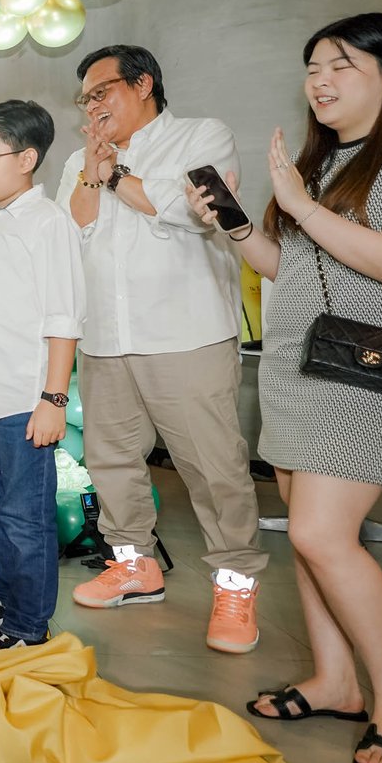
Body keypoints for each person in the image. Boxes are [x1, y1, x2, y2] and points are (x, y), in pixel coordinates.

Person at [187, 12, 382, 763]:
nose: (320, 80)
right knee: (309, 536)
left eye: (341, 64)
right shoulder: (331, 157)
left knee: (320, 533)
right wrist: (236, 224)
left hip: (364, 372)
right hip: (297, 364)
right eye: (312, 67)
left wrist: (302, 204)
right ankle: (335, 680)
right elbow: (295, 268)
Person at [56, 44, 267, 655]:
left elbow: (190, 212)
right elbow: (72, 230)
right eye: (85, 100)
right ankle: (133, 566)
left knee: (213, 467)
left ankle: (235, 584)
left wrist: (116, 175)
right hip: (106, 337)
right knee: (111, 460)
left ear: (143, 84)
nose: (92, 108)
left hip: (186, 333)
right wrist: (93, 171)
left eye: (101, 92)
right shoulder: (80, 160)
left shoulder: (202, 136)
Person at [0, 100, 84, 649]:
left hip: (21, 401)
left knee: (27, 519)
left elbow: (63, 319)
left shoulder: (48, 224)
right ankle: (5, 599)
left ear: (26, 159)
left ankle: (28, 624)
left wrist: (53, 398)